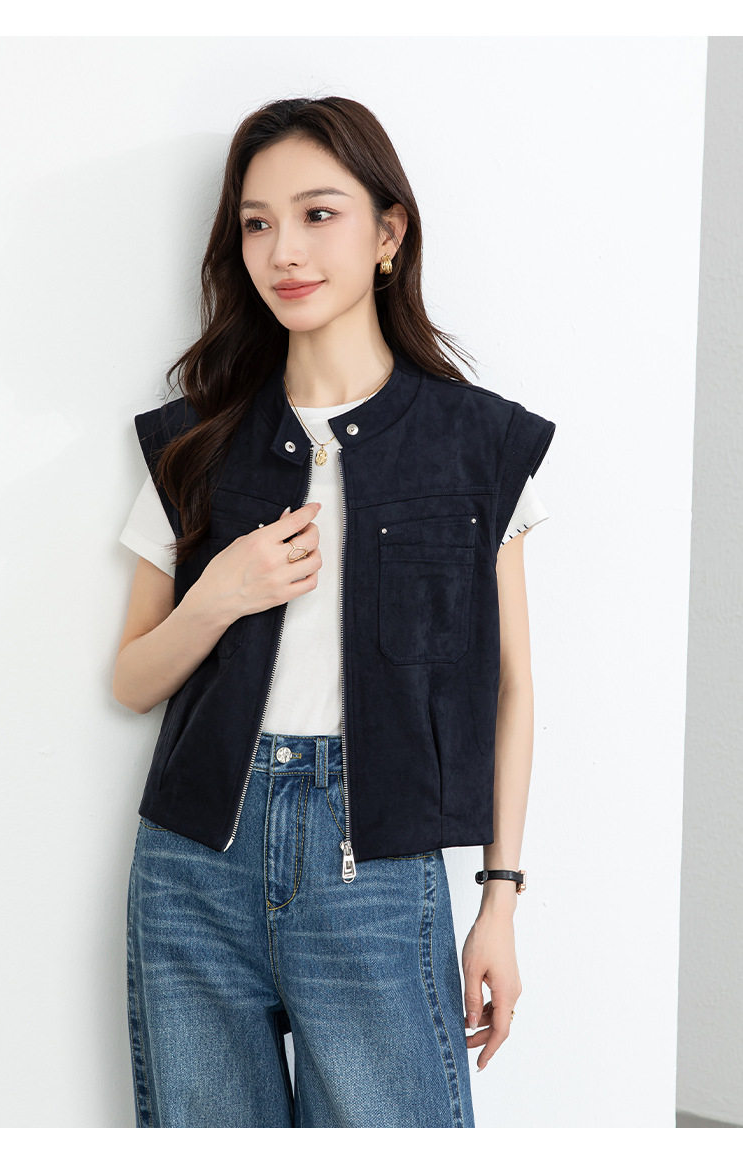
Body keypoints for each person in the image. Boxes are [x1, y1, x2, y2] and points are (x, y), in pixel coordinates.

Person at [113, 95, 555, 1129]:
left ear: (388, 232)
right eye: (257, 222)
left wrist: (498, 897)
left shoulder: (476, 445)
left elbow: (512, 688)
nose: (285, 250)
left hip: (377, 870)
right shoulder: (196, 443)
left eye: (318, 214)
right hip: (192, 868)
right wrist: (220, 594)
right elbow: (131, 677)